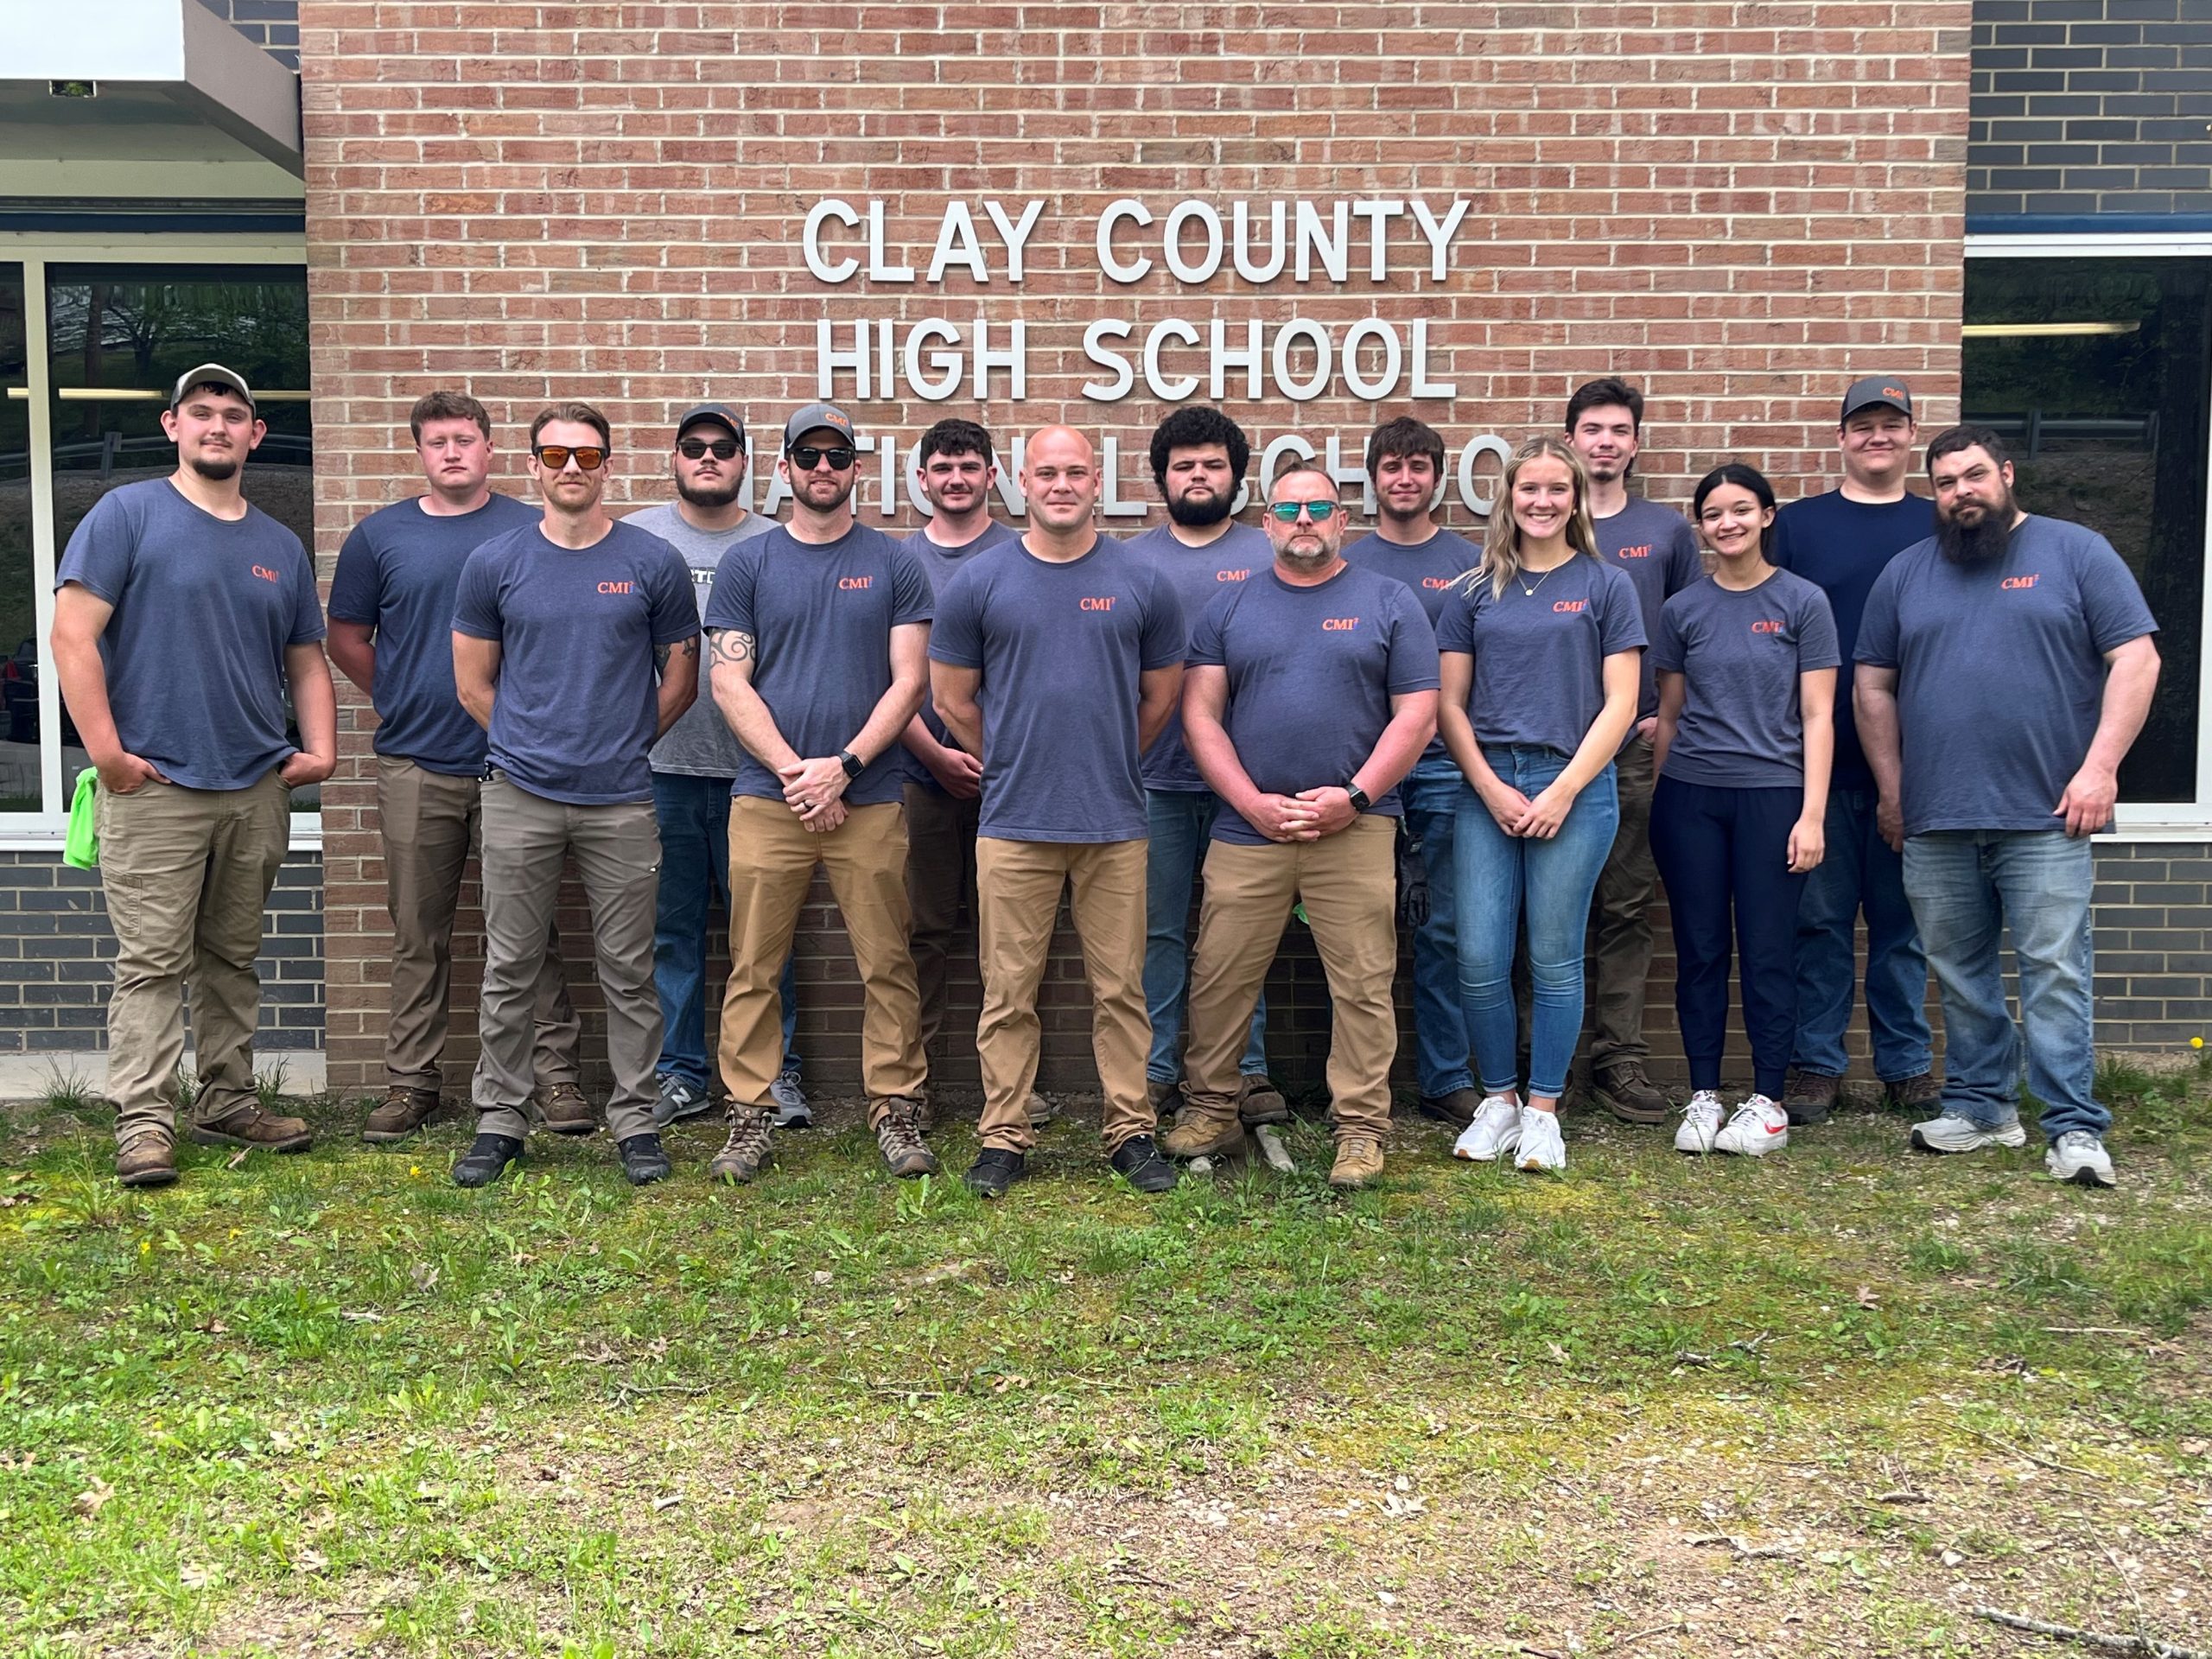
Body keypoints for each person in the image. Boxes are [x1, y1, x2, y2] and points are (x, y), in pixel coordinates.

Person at [50, 364, 336, 1188]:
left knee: (231, 957)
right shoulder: (127, 515)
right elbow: (74, 636)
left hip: (253, 786)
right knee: (152, 963)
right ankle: (143, 1120)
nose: (218, 426)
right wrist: (106, 754)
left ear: (257, 435)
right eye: (201, 413)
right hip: (156, 785)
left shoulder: (277, 545)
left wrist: (320, 751)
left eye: (234, 415)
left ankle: (226, 1099)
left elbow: (306, 659)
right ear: (173, 426)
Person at [1856, 425, 2159, 1186]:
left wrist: (2100, 771)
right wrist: (1894, 792)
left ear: (2007, 474)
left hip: (2050, 815)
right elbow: (1872, 687)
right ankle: (1983, 1106)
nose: (1962, 490)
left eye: (1975, 475)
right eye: (1947, 480)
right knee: (1958, 971)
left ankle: (2075, 1126)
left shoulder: (2076, 552)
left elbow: (2137, 657)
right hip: (1938, 816)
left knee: (2055, 970)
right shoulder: (1906, 573)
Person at [1164, 464, 1439, 1189]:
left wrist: (1355, 794)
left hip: (1354, 825)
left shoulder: (1390, 602)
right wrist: (1250, 801)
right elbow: (1200, 715)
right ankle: (1212, 1107)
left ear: (1343, 519)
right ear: (1268, 522)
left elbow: (1417, 713)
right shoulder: (1230, 607)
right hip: (1249, 829)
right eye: (1290, 509)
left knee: (1362, 983)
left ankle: (1361, 1130)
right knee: (1220, 977)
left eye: (1320, 507)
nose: (1305, 519)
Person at [930, 424, 1186, 1198]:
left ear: (1097, 481)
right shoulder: (979, 582)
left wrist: (1101, 751)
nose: (1062, 485)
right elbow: (950, 698)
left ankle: (1130, 1132)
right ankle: (1004, 1136)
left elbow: (1159, 701)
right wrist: (1012, 752)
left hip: (1114, 821)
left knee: (1121, 990)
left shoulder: (1144, 583)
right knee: (1008, 991)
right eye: (1047, 472)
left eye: (1077, 471)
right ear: (1022, 482)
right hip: (1013, 821)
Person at [327, 389, 587, 1146]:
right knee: (418, 932)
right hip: (416, 762)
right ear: (418, 451)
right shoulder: (380, 538)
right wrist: (403, 690)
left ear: (490, 448)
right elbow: (348, 637)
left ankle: (557, 1078)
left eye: (465, 439)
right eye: (437, 440)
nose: (452, 452)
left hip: (516, 767)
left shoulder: (527, 528)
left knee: (529, 929)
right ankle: (412, 1084)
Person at [448, 401, 697, 1188]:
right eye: (556, 457)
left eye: (588, 458)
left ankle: (636, 1119)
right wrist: (527, 747)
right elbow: (471, 683)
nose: (571, 471)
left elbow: (681, 679)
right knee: (510, 963)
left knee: (628, 969)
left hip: (622, 795)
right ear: (532, 465)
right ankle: (500, 1119)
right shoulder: (495, 562)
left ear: (609, 466)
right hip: (519, 792)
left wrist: (622, 742)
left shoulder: (652, 562)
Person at [703, 404, 936, 1184]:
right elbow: (728, 678)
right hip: (767, 797)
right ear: (788, 466)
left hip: (869, 797)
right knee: (753, 965)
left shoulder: (896, 562)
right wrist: (797, 774)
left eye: (838, 456)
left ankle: (897, 1109)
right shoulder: (750, 564)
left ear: (856, 468)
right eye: (810, 455)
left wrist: (844, 766)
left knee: (887, 961)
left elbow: (911, 680)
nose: (824, 469)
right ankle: (750, 1115)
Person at [1436, 436, 1643, 1174]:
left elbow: (1622, 703)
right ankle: (1499, 1100)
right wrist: (1491, 787)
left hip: (1574, 787)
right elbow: (1449, 706)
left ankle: (1545, 1110)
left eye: (1559, 489)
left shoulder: (1605, 586)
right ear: (1509, 499)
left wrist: (1561, 790)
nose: (1543, 501)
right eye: (1530, 489)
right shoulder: (1473, 591)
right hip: (1486, 785)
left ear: (1576, 499)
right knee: (1482, 957)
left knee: (1555, 959)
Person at [627, 404, 810, 1132]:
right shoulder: (637, 538)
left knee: (767, 935)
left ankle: (777, 1072)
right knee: (673, 932)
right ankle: (681, 1074)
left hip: (757, 776)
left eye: (724, 448)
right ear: (674, 457)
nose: (709, 458)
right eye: (694, 447)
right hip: (663, 769)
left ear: (747, 462)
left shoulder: (777, 542)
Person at [1649, 464, 1839, 1157]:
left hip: (1773, 799)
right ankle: (1703, 1095)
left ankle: (1767, 1102)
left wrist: (1811, 814)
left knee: (1767, 951)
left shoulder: (1802, 603)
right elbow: (1668, 715)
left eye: (1740, 510)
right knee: (1699, 950)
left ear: (1766, 516)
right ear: (1699, 526)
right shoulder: (1684, 610)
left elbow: (1819, 715)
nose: (1726, 523)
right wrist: (1667, 799)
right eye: (1712, 514)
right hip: (1692, 799)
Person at [1772, 378, 1941, 1126]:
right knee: (1821, 920)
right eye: (1863, 425)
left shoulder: (1942, 524)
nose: (1878, 436)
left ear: (1912, 436)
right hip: (1820, 760)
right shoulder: (1801, 526)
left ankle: (1906, 1064)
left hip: (1924, 756)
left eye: (1892, 424)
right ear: (1841, 437)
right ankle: (1817, 1065)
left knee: (1903, 926)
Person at [1122, 407, 1286, 1127]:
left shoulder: (1269, 554)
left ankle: (1243, 1072)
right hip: (1153, 779)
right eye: (1184, 465)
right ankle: (1157, 1070)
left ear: (1236, 476)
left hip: (1248, 787)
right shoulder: (1130, 561)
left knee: (1239, 933)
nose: (1198, 476)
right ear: (1161, 478)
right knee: (1157, 930)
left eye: (1212, 464)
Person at [893, 417, 1048, 1128]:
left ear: (994, 478)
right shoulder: (899, 563)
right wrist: (934, 751)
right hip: (921, 774)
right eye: (942, 467)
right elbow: (890, 677)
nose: (956, 478)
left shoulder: (1028, 555)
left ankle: (1011, 1091)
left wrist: (999, 756)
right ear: (921, 480)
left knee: (1008, 940)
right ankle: (911, 1085)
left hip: (1012, 780)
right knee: (922, 932)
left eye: (970, 466)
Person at [1565, 378, 1704, 1123]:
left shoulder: (1667, 532)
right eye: (1592, 429)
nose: (1606, 442)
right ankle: (1540, 1060)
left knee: (1624, 905)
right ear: (1571, 439)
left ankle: (1618, 1059)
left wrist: (1666, 718)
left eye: (1619, 430)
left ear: (1636, 443)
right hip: (1551, 752)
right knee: (1546, 907)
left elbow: (1686, 632)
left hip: (1634, 750)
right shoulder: (1545, 521)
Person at [1342, 416, 1484, 1128]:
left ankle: (1446, 1075)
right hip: (1361, 778)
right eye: (1392, 466)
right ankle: (1351, 1088)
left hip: (1446, 772)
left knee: (1445, 927)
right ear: (1373, 478)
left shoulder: (1471, 564)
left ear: (1437, 476)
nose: (1405, 478)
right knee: (1356, 931)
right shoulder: (1349, 563)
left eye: (1418, 466)